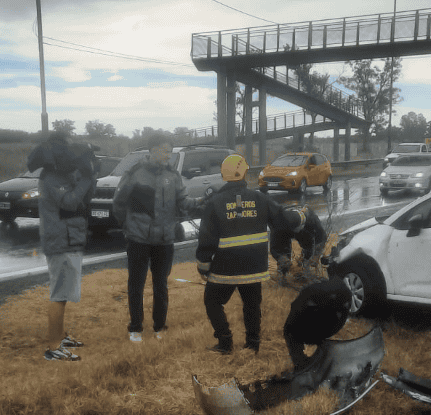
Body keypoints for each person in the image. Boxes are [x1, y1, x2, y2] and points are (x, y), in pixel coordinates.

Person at [196, 154, 295, 354]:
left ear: (224, 175)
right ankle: (253, 344)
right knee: (252, 305)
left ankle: (225, 342)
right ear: (243, 174)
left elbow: (207, 238)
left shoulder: (214, 203)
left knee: (212, 301)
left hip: (226, 267)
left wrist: (203, 264)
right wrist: (299, 215)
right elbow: (283, 223)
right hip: (254, 266)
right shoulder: (261, 199)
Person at [112, 134, 203, 343]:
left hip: (164, 240)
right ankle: (135, 327)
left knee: (161, 284)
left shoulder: (172, 175)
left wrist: (201, 201)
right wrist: (127, 226)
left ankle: (160, 326)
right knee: (136, 284)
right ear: (151, 150)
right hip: (138, 239)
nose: (167, 155)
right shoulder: (135, 173)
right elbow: (118, 202)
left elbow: (183, 201)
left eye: (169, 151)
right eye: (163, 150)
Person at [30, 131, 98, 361]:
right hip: (61, 241)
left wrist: (91, 176)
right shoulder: (51, 178)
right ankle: (53, 347)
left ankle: (60, 335)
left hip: (71, 238)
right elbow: (69, 202)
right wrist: (86, 178)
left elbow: (84, 199)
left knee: (65, 292)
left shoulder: (64, 175)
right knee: (59, 294)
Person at [282, 277, 352, 371]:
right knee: (292, 331)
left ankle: (301, 362)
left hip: (314, 325)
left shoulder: (312, 290)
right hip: (325, 326)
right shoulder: (345, 293)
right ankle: (314, 358)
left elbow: (294, 308)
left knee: (289, 331)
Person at [270, 205, 327, 283]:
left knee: (309, 245)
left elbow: (322, 237)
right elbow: (275, 247)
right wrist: (283, 259)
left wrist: (315, 256)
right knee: (283, 253)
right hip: (284, 230)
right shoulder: (278, 223)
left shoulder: (312, 219)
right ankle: (282, 272)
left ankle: (304, 264)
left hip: (304, 228)